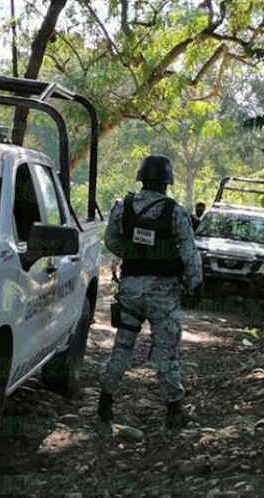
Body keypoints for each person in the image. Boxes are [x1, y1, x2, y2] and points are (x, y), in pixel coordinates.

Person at [99, 154, 203, 430]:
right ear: (166, 183)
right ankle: (173, 409)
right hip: (163, 293)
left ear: (142, 178)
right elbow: (190, 253)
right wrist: (195, 283)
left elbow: (110, 240)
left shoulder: (123, 207)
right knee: (166, 351)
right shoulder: (176, 212)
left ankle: (105, 403)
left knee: (122, 346)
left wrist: (133, 255)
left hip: (131, 288)